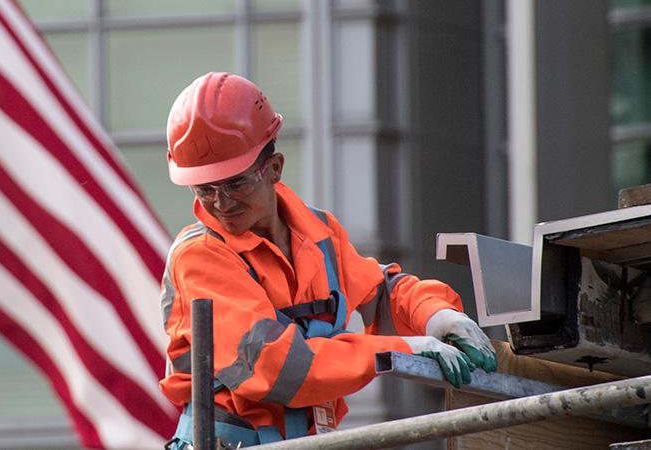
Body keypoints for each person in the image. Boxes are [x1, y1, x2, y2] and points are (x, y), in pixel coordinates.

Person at [160, 72, 496, 448]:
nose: (221, 203)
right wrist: (405, 348)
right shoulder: (200, 255)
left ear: (274, 168)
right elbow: (277, 368)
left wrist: (437, 317)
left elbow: (380, 293)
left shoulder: (318, 231)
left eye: (235, 183)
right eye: (206, 189)